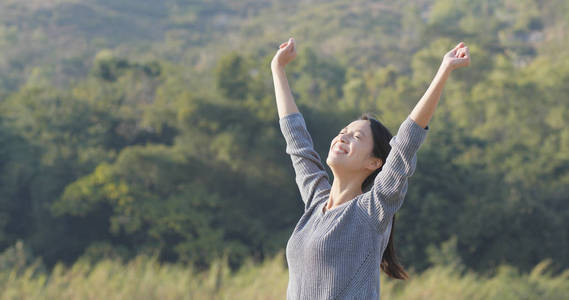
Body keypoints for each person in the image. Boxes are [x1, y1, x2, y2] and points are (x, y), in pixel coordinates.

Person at [271, 37, 470, 299]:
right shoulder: (315, 201)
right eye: (343, 132)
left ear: (374, 163)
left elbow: (405, 144)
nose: (342, 137)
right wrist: (278, 69)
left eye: (356, 137)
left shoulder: (370, 211)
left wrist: (444, 70)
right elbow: (297, 141)